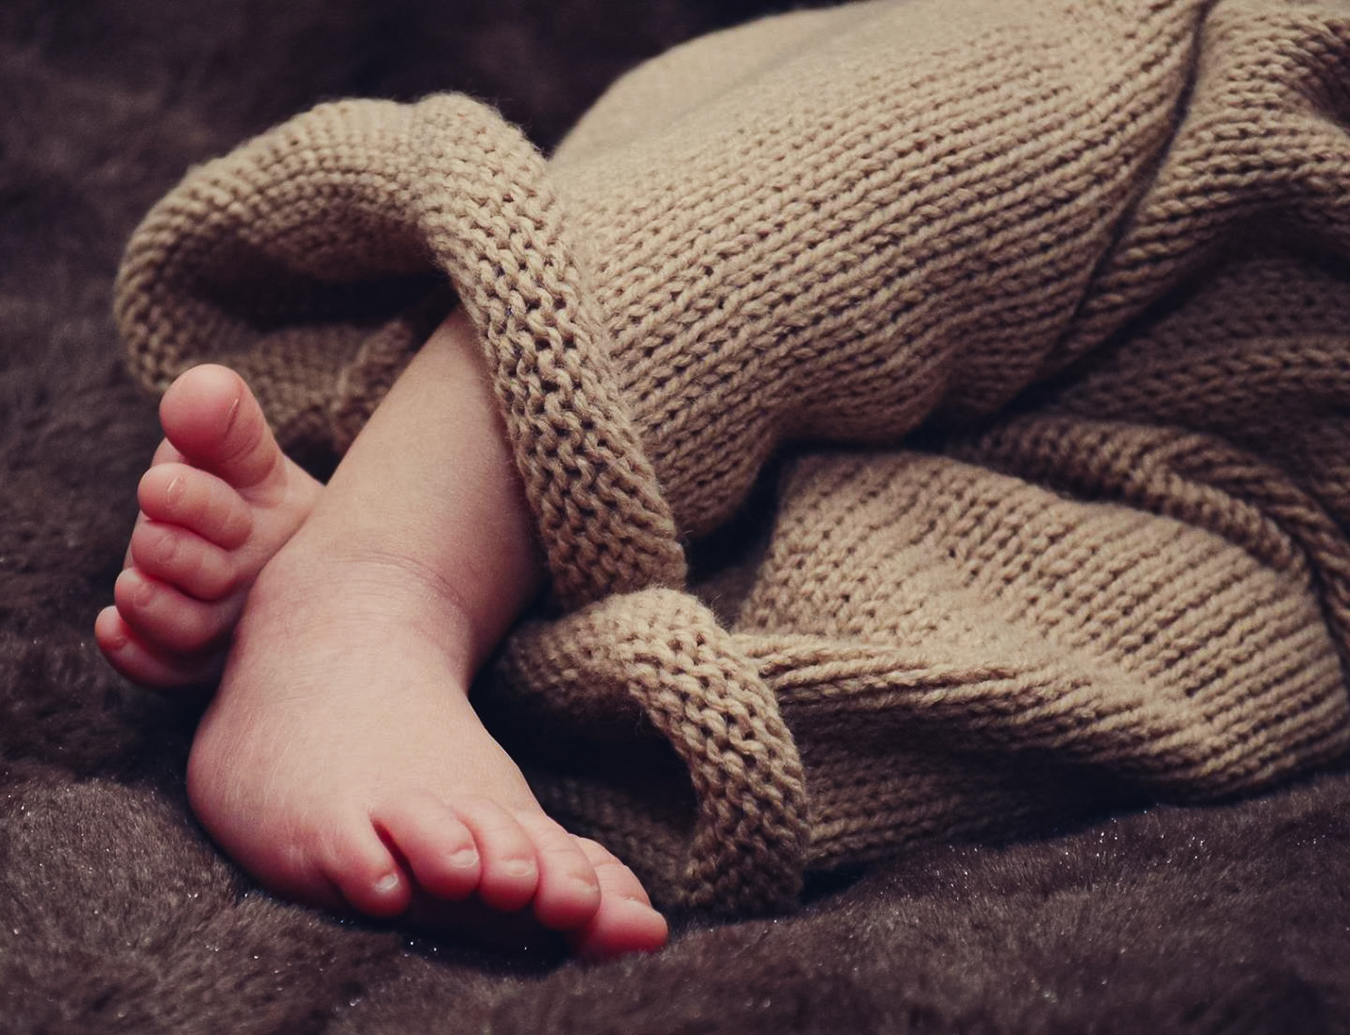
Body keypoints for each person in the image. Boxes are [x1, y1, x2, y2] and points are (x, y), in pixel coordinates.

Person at [98, 0, 1350, 959]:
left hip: (1275, 486)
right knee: (932, 152)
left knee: (1150, 679)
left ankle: (497, 658)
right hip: (1187, 163)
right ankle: (377, 579)